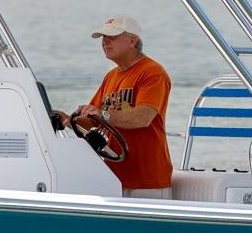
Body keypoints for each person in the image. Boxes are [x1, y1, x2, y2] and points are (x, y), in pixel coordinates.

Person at [58, 15, 174, 197]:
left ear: (132, 41)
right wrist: (68, 119)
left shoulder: (153, 72)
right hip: (113, 178)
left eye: (111, 37)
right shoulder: (111, 76)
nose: (105, 42)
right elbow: (94, 121)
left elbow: (143, 118)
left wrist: (102, 114)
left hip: (147, 181)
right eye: (103, 38)